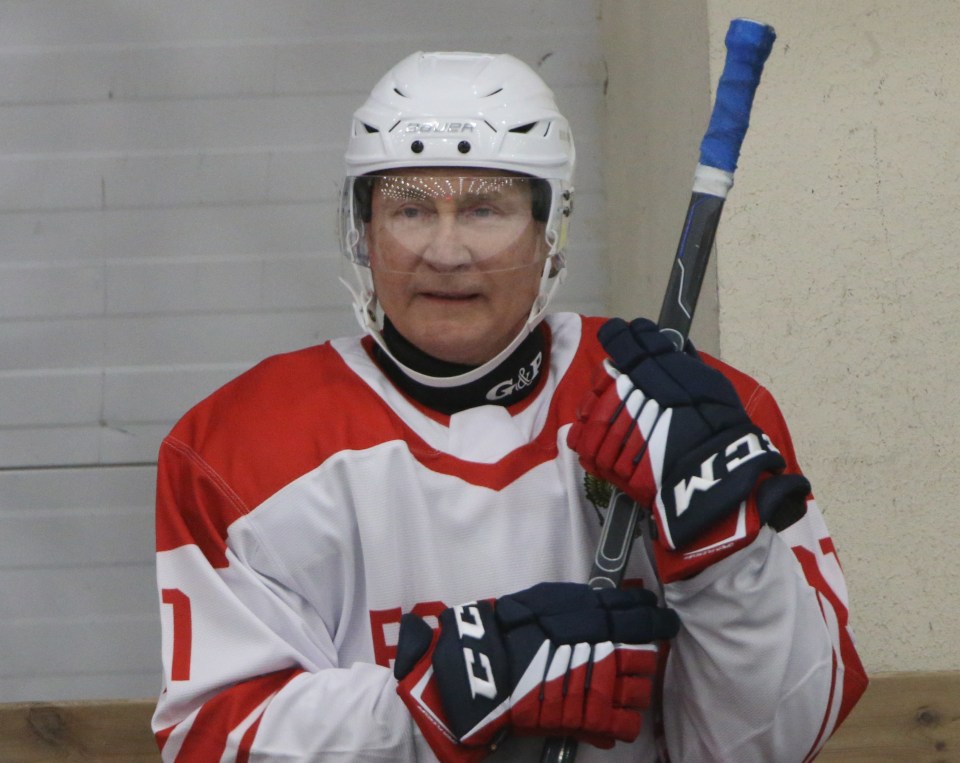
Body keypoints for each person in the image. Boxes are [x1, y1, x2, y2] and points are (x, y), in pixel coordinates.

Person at [152, 51, 867, 762]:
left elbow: (778, 740)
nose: (446, 250)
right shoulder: (233, 449)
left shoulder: (700, 413)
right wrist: (438, 702)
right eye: (409, 208)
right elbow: (212, 741)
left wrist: (726, 557)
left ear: (550, 233)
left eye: (485, 208)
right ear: (362, 231)